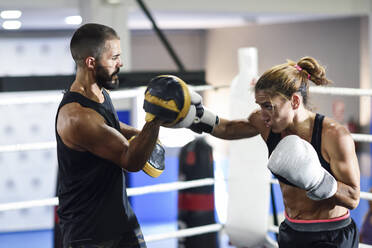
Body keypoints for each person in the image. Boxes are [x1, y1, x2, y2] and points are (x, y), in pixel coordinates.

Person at [175, 56, 360, 247]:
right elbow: (230, 129)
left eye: (268, 106)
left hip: (331, 234)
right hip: (292, 230)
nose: (262, 114)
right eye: (259, 105)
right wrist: (197, 116)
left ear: (295, 101)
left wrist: (318, 180)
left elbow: (353, 197)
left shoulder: (334, 136)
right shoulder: (267, 124)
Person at [55, 23, 163, 248]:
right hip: (90, 232)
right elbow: (131, 160)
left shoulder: (99, 93)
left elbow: (108, 125)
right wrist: (155, 119)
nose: (120, 63)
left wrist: (139, 133)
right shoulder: (77, 116)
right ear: (91, 62)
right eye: (114, 57)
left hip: (120, 218)